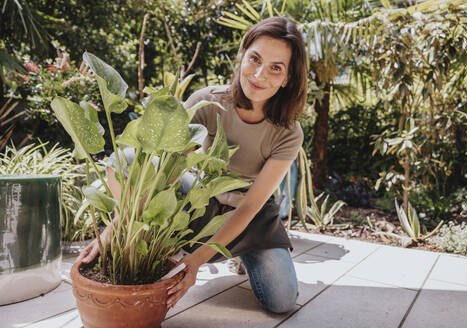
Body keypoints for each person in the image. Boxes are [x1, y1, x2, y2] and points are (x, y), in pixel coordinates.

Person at [77, 16, 308, 314]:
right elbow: (163, 172)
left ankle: (241, 255)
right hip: (202, 202)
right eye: (255, 59)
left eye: (276, 68)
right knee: (128, 160)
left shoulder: (289, 132)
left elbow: (250, 207)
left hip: (251, 218)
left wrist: (195, 262)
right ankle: (203, 244)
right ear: (243, 56)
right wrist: (115, 229)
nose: (260, 75)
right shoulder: (207, 102)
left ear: (287, 78)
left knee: (282, 300)